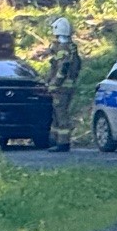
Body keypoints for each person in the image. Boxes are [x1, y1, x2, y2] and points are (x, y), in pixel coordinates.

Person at [43, 16, 82, 151]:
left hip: (61, 89)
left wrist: (54, 83)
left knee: (61, 114)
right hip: (65, 88)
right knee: (56, 115)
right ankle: (54, 141)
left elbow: (62, 69)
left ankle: (63, 143)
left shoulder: (63, 49)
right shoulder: (70, 48)